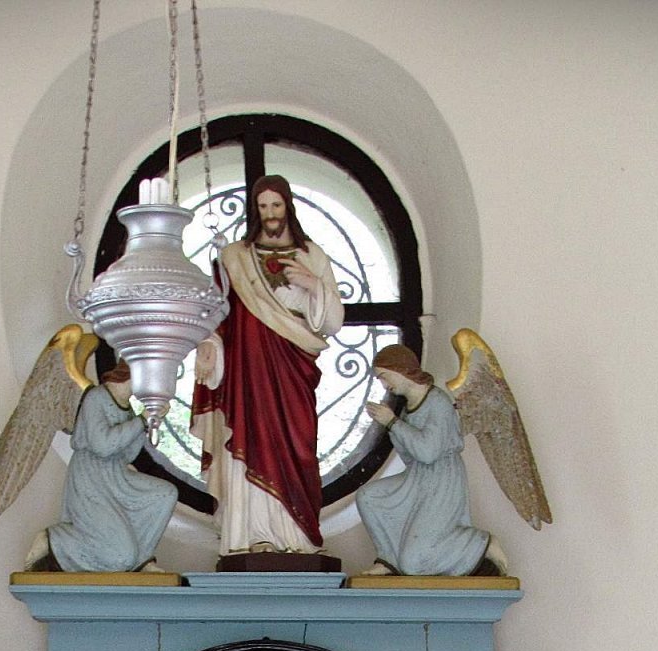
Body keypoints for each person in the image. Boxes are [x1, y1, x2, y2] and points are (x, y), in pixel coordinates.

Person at [191, 175, 344, 557]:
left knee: (298, 445)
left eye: (276, 205)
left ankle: (297, 538)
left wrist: (313, 284)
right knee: (251, 434)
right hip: (247, 371)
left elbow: (333, 322)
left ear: (288, 206)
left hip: (293, 366)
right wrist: (208, 346)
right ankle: (250, 534)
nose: (271, 214)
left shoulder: (312, 255)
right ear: (255, 210)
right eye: (263, 207)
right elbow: (217, 314)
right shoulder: (235, 258)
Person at [355, 344, 492, 577]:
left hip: (441, 482)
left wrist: (392, 423)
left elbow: (428, 453)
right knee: (368, 497)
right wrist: (391, 425)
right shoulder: (408, 408)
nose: (385, 385)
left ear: (399, 369)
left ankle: (481, 543)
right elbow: (411, 457)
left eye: (384, 377)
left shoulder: (438, 402)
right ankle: (388, 559)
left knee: (414, 564)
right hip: (417, 478)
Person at [40, 361, 177, 573]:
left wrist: (148, 423)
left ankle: (141, 560)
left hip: (117, 477)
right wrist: (140, 421)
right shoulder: (96, 398)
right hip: (91, 480)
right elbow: (102, 446)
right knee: (120, 558)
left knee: (165, 495)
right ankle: (55, 540)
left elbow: (127, 455)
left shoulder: (128, 407)